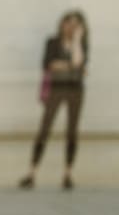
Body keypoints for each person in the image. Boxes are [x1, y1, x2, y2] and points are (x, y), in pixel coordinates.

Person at [19, 10, 89, 191]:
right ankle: (32, 172)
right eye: (69, 23)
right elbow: (48, 64)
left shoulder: (81, 43)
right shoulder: (53, 42)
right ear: (62, 24)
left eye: (76, 24)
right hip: (56, 89)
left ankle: (68, 173)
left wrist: (75, 43)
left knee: (72, 131)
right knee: (45, 128)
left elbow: (78, 62)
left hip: (75, 90)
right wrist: (70, 66)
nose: (71, 27)